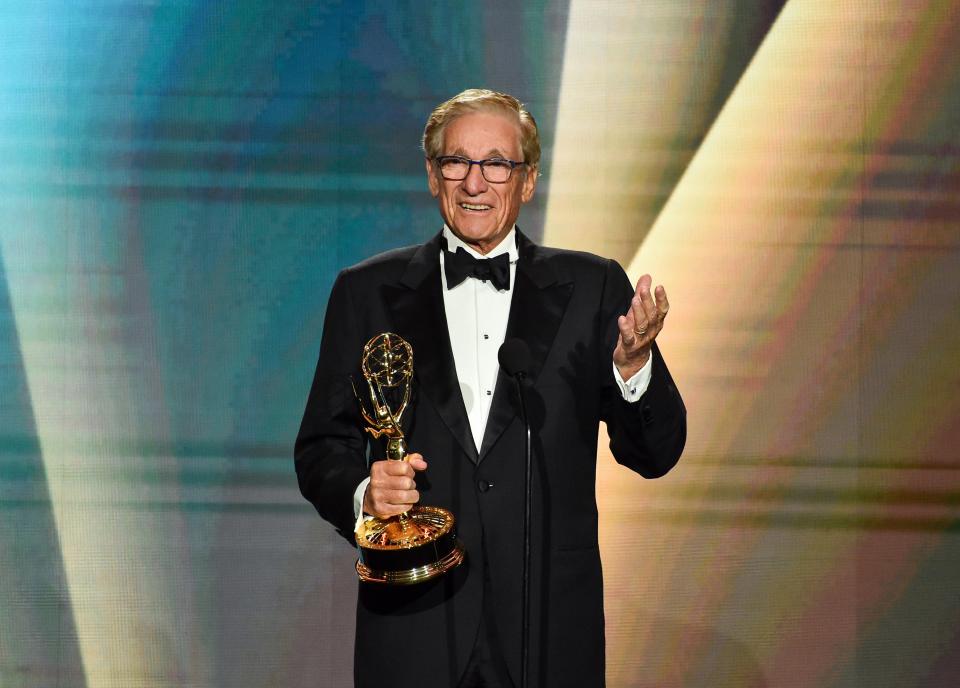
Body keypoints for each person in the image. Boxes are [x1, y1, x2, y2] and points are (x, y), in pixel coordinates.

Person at [295, 89, 686, 688]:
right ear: (433, 176)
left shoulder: (592, 287)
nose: (476, 182)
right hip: (414, 623)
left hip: (548, 630)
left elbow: (655, 454)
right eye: (457, 162)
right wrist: (363, 497)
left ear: (526, 181)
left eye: (497, 164)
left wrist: (633, 368)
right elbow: (321, 447)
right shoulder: (366, 292)